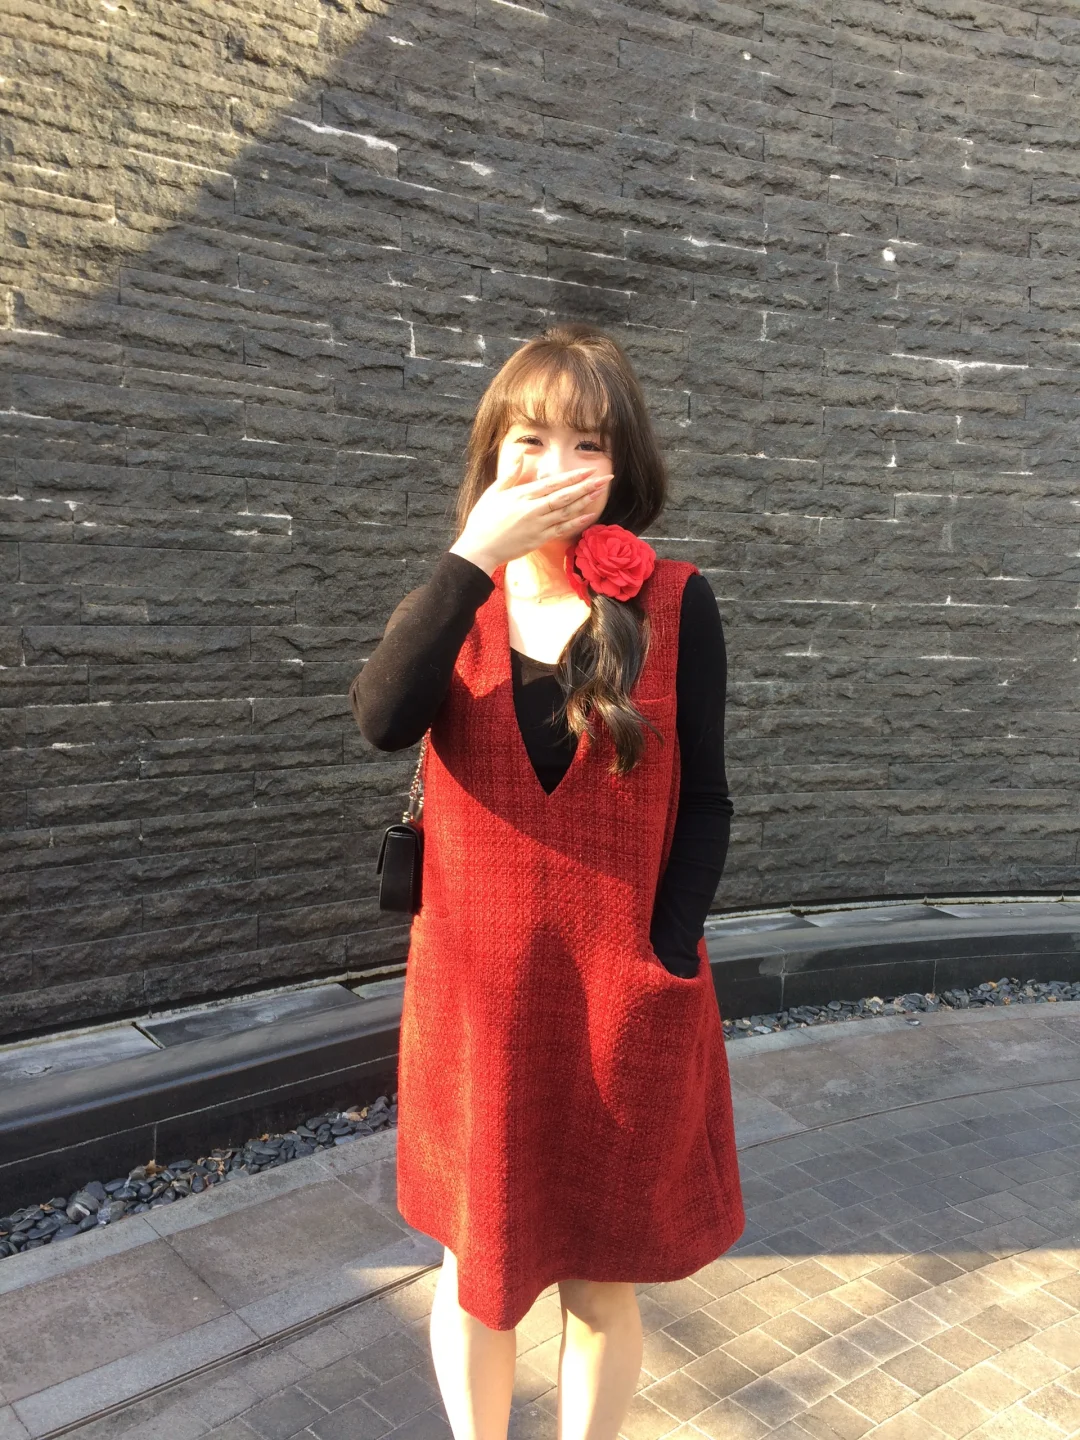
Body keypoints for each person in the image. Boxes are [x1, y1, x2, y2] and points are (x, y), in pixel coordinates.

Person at [350, 323, 745, 1440]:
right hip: (476, 1005)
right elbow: (381, 719)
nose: (557, 465)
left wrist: (665, 954)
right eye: (530, 438)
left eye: (588, 442)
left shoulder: (676, 603)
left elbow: (707, 802)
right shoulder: (456, 606)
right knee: (477, 1270)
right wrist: (469, 557)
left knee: (601, 1277)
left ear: (624, 465)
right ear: (493, 451)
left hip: (622, 1001)